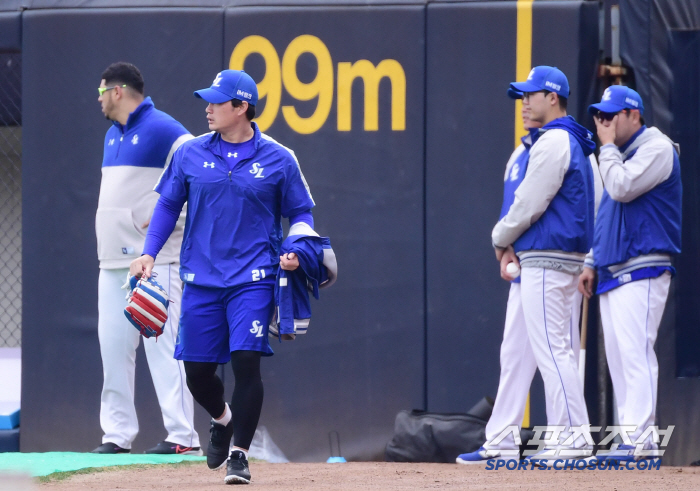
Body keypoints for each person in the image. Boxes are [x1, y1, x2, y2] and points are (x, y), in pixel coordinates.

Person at [128, 69, 316, 485]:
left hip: (254, 276)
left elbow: (301, 212)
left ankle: (239, 455)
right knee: (196, 370)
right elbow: (167, 206)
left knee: (246, 362)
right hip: (201, 278)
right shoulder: (189, 153)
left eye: (216, 101)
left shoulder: (279, 158)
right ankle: (222, 419)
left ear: (241, 107)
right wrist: (148, 255)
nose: (208, 108)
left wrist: (296, 248)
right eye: (207, 101)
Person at [456, 84, 602, 465]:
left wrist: (500, 239)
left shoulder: (556, 140)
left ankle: (573, 439)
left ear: (552, 98)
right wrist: (509, 248)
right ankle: (501, 442)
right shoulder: (555, 143)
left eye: (530, 96)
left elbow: (529, 203)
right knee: (516, 354)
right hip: (535, 259)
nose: (524, 103)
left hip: (548, 259)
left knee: (554, 351)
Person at [93, 62, 200, 455]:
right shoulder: (111, 135)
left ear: (117, 90)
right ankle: (117, 435)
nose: (99, 99)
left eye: (101, 91)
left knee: (163, 345)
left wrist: (163, 229)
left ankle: (183, 437)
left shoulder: (163, 128)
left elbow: (198, 173)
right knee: (113, 349)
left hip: (156, 260)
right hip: (111, 264)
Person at [579, 85, 681, 461]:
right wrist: (591, 260)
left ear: (634, 115)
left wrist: (604, 148)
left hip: (643, 265)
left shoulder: (657, 147)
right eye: (600, 115)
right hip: (612, 266)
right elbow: (603, 213)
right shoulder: (612, 155)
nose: (603, 122)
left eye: (611, 115)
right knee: (620, 358)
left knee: (635, 353)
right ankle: (632, 440)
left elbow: (621, 189)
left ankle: (641, 441)